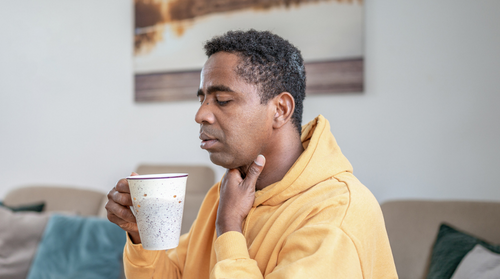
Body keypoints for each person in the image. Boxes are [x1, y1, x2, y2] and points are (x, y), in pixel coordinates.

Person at [106, 29, 398, 278]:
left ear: (280, 110)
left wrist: (229, 228)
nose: (200, 115)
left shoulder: (337, 214)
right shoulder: (227, 192)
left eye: (222, 100)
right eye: (202, 99)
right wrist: (142, 237)